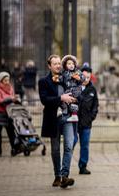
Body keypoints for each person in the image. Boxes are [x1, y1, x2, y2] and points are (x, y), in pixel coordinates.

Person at [38, 54, 76, 188]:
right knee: (55, 149)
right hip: (53, 119)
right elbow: (44, 100)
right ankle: (57, 176)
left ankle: (65, 176)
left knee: (69, 145)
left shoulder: (66, 78)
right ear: (49, 66)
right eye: (55, 64)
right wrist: (61, 98)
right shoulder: (43, 82)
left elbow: (76, 91)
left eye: (59, 63)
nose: (58, 66)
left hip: (68, 118)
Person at [74, 65, 99, 174]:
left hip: (86, 123)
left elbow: (95, 106)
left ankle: (83, 166)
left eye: (88, 77)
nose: (86, 79)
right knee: (71, 144)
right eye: (84, 77)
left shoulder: (92, 90)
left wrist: (91, 118)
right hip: (73, 122)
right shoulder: (74, 87)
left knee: (85, 146)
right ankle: (65, 168)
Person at [0, 71, 19, 156]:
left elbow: (13, 98)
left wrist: (16, 100)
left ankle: (15, 149)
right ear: (1, 80)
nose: (7, 82)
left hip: (8, 114)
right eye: (5, 80)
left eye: (8, 80)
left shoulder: (10, 88)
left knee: (11, 133)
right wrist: (11, 99)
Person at [52, 54, 85, 123]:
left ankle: (74, 115)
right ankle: (60, 110)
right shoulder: (64, 73)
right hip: (68, 91)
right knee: (64, 99)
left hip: (76, 90)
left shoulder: (77, 72)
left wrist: (79, 78)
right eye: (69, 63)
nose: (71, 65)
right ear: (65, 65)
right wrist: (56, 78)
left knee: (74, 102)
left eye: (73, 63)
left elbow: (83, 78)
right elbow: (61, 79)